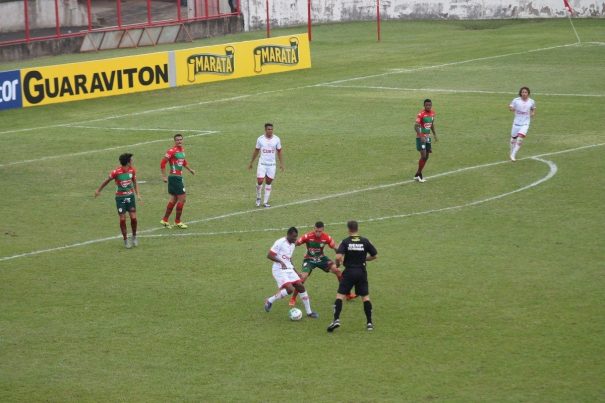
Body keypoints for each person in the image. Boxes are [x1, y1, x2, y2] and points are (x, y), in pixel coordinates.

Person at [289, 221, 356, 307]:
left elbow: (335, 247)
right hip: (309, 260)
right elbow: (296, 243)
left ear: (323, 230)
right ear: (314, 229)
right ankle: (293, 298)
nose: (317, 233)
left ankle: (348, 294)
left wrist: (340, 257)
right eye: (316, 231)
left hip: (321, 259)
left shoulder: (326, 237)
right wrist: (287, 250)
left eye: (320, 231)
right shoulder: (307, 236)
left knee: (338, 271)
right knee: (303, 278)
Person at [327, 220, 378, 332]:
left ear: (348, 229)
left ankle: (336, 320)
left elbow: (338, 256)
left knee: (340, 296)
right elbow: (374, 255)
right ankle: (369, 323)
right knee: (365, 297)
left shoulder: (345, 242)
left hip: (349, 272)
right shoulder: (365, 241)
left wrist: (338, 264)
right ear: (357, 229)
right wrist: (365, 259)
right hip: (361, 272)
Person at [263, 227, 319, 318]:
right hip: (279, 269)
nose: (295, 239)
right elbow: (269, 255)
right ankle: (270, 300)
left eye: (296, 237)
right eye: (293, 237)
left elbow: (289, 259)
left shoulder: (292, 245)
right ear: (288, 235)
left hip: (289, 269)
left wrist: (296, 272)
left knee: (300, 286)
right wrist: (280, 262)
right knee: (290, 289)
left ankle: (309, 312)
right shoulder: (280, 242)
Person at [95, 153, 142, 249]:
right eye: (131, 160)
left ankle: (134, 237)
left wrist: (138, 194)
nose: (132, 161)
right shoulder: (116, 172)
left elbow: (135, 182)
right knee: (122, 219)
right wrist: (98, 190)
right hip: (120, 198)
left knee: (133, 218)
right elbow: (107, 180)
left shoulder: (132, 170)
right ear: (128, 162)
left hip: (130, 197)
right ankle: (125, 240)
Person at [160, 133, 195, 229]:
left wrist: (190, 169)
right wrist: (164, 176)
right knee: (182, 199)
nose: (179, 141)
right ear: (174, 141)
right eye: (177, 140)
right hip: (175, 177)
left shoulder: (182, 150)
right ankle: (177, 221)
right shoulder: (172, 151)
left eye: (180, 139)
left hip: (178, 177)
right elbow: (163, 163)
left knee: (174, 199)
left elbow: (183, 161)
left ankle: (165, 220)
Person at [248, 123, 284, 208]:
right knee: (260, 181)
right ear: (265, 130)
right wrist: (251, 162)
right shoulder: (260, 139)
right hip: (262, 164)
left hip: (272, 165)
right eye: (268, 129)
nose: (270, 131)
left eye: (271, 129)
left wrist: (281, 163)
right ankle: (258, 197)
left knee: (268, 182)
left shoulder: (277, 139)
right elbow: (256, 151)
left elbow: (279, 151)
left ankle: (265, 202)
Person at [413, 99, 438, 183]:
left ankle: (417, 174)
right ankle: (419, 175)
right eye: (426, 105)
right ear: (424, 105)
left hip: (428, 138)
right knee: (423, 156)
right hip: (421, 138)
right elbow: (416, 126)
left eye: (429, 105)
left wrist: (434, 135)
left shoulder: (432, 113)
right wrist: (421, 136)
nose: (428, 106)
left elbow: (431, 125)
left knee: (427, 156)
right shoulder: (421, 114)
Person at [508, 87, 536, 162]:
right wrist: (511, 109)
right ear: (520, 93)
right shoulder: (516, 100)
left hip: (525, 123)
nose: (524, 94)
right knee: (513, 139)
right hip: (516, 123)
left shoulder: (531, 101)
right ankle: (511, 152)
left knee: (520, 138)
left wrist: (533, 113)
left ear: (528, 93)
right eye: (523, 92)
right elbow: (510, 106)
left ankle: (513, 155)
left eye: (525, 92)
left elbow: (533, 108)